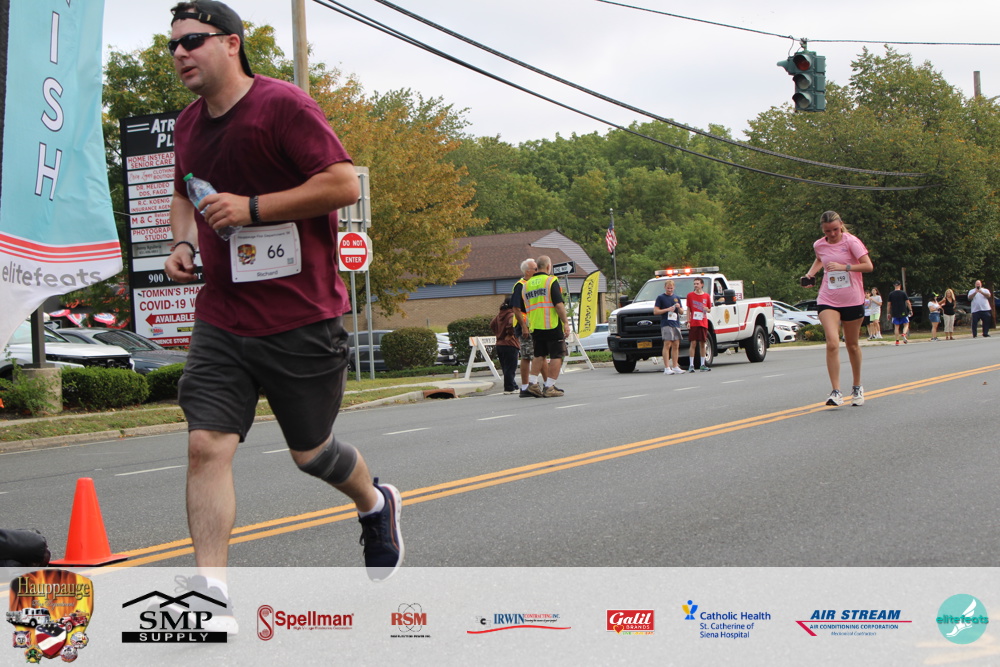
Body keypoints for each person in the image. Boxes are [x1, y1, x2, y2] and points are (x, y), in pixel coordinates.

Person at [163, 1, 402, 629]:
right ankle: (210, 596)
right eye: (173, 45)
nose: (180, 53)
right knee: (205, 445)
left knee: (311, 453)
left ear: (232, 43)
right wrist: (182, 242)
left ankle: (375, 503)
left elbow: (343, 184)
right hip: (222, 316)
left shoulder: (283, 106)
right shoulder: (187, 125)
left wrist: (252, 208)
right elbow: (183, 193)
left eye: (193, 40)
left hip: (300, 315)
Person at [800, 211, 873, 406]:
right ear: (822, 230)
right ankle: (836, 391)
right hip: (828, 299)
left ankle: (857, 386)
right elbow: (820, 259)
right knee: (832, 343)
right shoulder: (819, 245)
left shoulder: (851, 242)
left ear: (841, 225)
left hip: (852, 299)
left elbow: (868, 266)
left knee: (852, 345)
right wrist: (810, 275)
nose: (832, 234)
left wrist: (844, 267)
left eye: (835, 229)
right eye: (827, 231)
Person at [522, 255, 569, 397]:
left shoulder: (526, 285)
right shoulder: (550, 281)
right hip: (551, 324)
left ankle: (532, 384)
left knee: (539, 354)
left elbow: (525, 307)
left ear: (537, 267)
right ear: (548, 267)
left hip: (535, 325)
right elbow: (558, 304)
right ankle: (549, 386)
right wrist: (565, 322)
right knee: (557, 355)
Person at [511, 258, 544, 397]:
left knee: (540, 354)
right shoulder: (520, 285)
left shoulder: (532, 284)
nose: (537, 271)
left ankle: (547, 384)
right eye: (535, 269)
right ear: (527, 271)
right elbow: (516, 308)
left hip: (536, 325)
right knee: (527, 356)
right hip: (525, 325)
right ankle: (525, 387)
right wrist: (524, 327)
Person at [653, 280, 684, 374]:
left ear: (674, 288)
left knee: (676, 344)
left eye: (671, 288)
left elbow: (682, 312)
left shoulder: (676, 298)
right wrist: (667, 309)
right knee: (667, 344)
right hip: (666, 323)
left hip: (676, 323)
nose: (669, 290)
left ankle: (675, 366)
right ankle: (667, 367)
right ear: (665, 287)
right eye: (668, 288)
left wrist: (679, 307)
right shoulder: (660, 297)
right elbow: (656, 311)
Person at [490, 298, 520, 393]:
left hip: (500, 344)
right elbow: (511, 324)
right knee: (511, 368)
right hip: (510, 344)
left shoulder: (499, 315)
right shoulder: (511, 315)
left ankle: (514, 386)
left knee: (506, 367)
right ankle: (509, 388)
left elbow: (492, 324)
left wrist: (498, 333)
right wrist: (510, 334)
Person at [685, 277, 712, 372]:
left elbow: (709, 309)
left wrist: (707, 309)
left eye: (697, 284)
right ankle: (691, 365)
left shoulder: (706, 296)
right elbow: (688, 309)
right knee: (693, 343)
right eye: (694, 284)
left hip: (703, 322)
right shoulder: (690, 295)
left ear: (702, 284)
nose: (696, 285)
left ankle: (702, 364)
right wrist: (688, 321)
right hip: (694, 322)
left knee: (702, 343)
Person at [887, 281, 913, 345]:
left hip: (895, 311)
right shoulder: (903, 293)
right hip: (903, 310)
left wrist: (888, 313)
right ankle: (904, 334)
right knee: (906, 324)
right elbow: (908, 302)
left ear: (894, 285)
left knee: (896, 326)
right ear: (900, 285)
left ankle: (897, 341)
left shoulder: (891, 294)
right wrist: (910, 310)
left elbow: (889, 304)